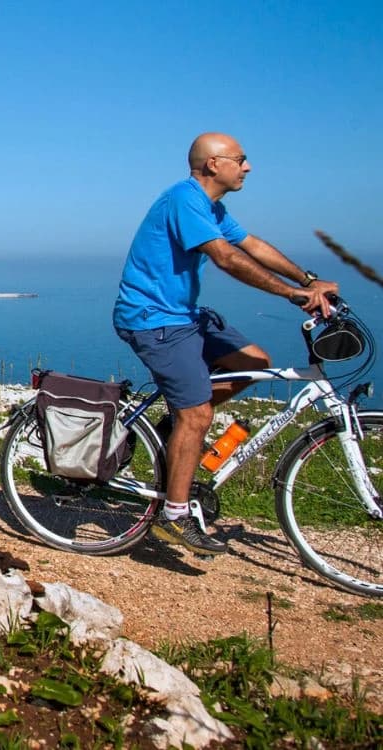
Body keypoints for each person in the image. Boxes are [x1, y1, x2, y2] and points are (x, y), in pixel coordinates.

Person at [113, 132, 338, 555]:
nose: (248, 167)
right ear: (214, 164)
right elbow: (226, 257)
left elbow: (251, 245)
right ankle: (174, 516)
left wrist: (307, 281)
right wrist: (291, 296)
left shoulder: (212, 206)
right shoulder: (184, 198)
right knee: (197, 414)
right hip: (153, 320)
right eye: (241, 159)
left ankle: (172, 431)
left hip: (183, 316)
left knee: (254, 360)